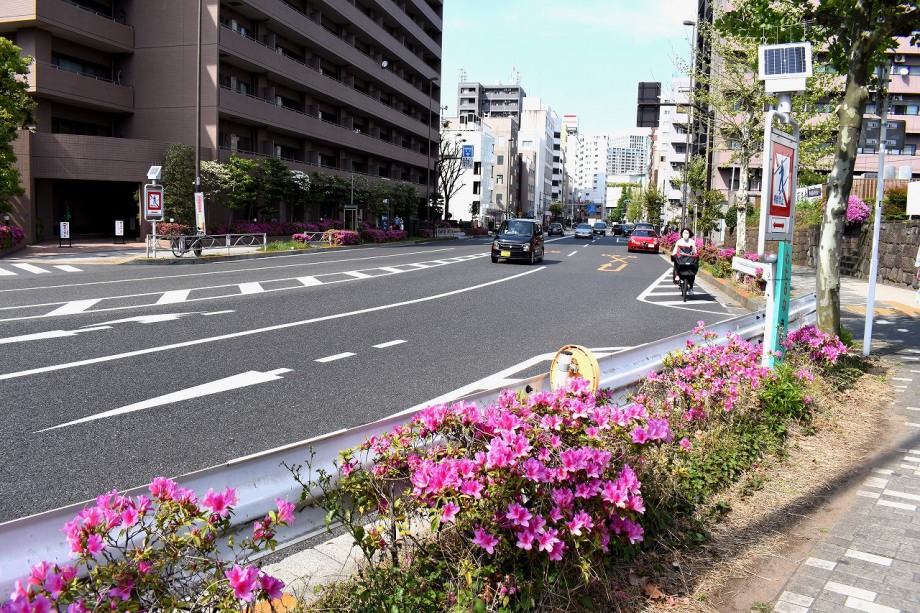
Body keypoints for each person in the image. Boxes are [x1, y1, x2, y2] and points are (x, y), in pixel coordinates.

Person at [671, 227, 699, 295]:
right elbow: (675, 250)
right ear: (682, 234)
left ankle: (691, 288)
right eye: (684, 233)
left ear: (689, 234)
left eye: (687, 233)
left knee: (693, 271)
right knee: (676, 261)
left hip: (689, 259)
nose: (685, 234)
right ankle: (677, 275)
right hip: (681, 259)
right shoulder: (679, 241)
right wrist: (673, 255)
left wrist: (695, 255)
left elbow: (695, 251)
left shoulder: (692, 241)